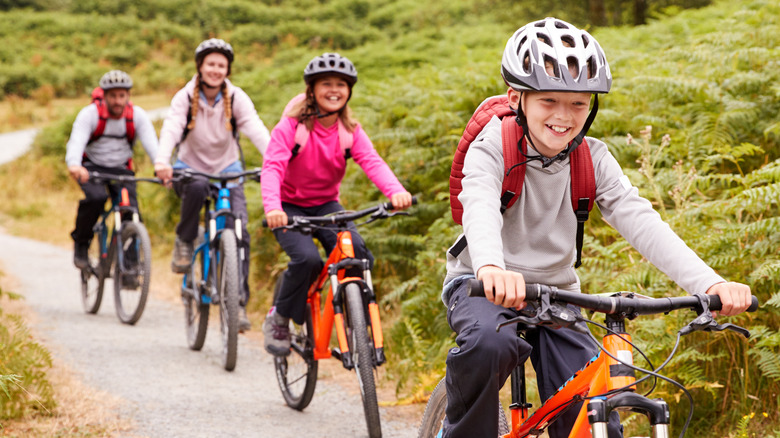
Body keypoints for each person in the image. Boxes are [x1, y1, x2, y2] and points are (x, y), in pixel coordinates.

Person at [441, 17, 753, 438]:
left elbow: (641, 220)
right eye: (548, 100)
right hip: (481, 284)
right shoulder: (492, 145)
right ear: (518, 98)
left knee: (593, 406)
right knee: (489, 346)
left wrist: (710, 283)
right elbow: (478, 203)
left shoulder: (593, 159)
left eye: (578, 104)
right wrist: (491, 268)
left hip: (557, 295)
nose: (563, 117)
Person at [261, 52, 413, 356]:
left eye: (341, 84)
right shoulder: (291, 128)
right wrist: (273, 208)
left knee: (356, 252)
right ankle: (278, 317)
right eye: (326, 84)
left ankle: (360, 322)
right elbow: (272, 167)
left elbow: (373, 162)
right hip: (288, 208)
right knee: (307, 260)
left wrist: (396, 192)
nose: (334, 90)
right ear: (312, 90)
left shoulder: (349, 131)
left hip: (327, 205)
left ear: (349, 91)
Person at [154, 38, 270, 332]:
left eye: (221, 65)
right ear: (200, 67)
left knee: (239, 231)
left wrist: (274, 161)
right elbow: (171, 128)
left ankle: (238, 304)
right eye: (211, 64)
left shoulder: (236, 97)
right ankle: (185, 239)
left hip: (228, 168)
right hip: (190, 167)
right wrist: (161, 161)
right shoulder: (184, 97)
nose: (216, 70)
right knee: (195, 187)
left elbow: (255, 128)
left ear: (227, 69)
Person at [66, 70, 159, 274]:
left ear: (128, 96)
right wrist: (75, 165)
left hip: (121, 170)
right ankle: (81, 243)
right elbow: (76, 142)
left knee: (131, 213)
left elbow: (153, 146)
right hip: (92, 169)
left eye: (122, 95)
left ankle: (130, 267)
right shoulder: (90, 114)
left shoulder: (137, 116)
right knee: (96, 199)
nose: (117, 101)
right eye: (113, 96)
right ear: (104, 95)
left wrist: (161, 166)